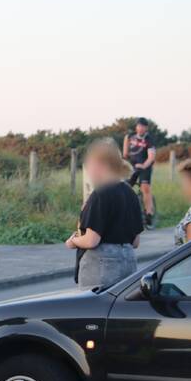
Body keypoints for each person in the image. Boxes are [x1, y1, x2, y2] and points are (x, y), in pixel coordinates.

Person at [67, 138, 143, 288]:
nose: (88, 170)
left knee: (93, 309)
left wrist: (72, 241)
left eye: (89, 164)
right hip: (128, 263)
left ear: (100, 165)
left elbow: (91, 241)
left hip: (101, 267)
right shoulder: (131, 193)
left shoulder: (100, 194)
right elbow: (135, 242)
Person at [123, 117, 156, 228]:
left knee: (145, 188)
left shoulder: (149, 139)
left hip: (145, 166)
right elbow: (125, 154)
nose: (140, 128)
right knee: (124, 187)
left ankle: (149, 214)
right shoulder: (129, 137)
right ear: (136, 127)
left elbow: (151, 157)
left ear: (146, 128)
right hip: (132, 167)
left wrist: (143, 165)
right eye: (139, 126)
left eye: (143, 126)